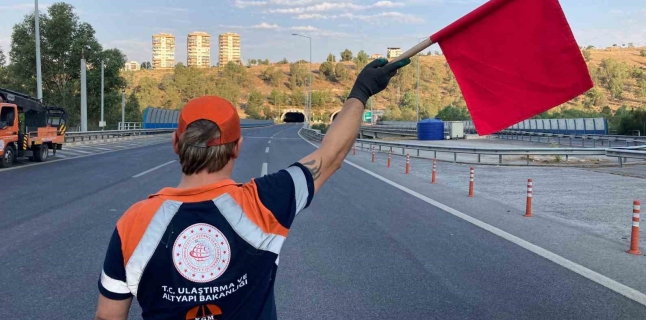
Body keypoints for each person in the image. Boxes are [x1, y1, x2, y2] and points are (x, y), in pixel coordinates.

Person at [94, 57, 410, 320]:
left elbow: (107, 317)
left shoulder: (133, 224)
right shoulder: (265, 202)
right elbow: (331, 156)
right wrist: (362, 90)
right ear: (238, 147)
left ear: (176, 143)